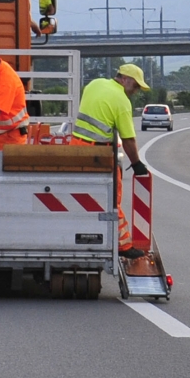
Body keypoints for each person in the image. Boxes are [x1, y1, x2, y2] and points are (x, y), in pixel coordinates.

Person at [71, 63, 153, 253]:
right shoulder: (122, 101)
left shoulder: (94, 84)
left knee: (80, 195)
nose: (136, 91)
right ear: (125, 80)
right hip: (98, 155)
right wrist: (137, 164)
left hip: (75, 148)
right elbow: (128, 140)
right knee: (111, 199)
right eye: (135, 86)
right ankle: (123, 245)